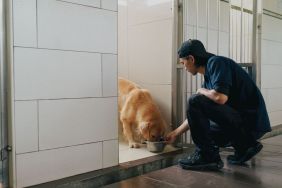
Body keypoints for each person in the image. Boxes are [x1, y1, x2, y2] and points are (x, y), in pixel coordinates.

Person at [165, 39, 271, 170]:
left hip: (251, 122)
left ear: (191, 59)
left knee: (195, 100)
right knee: (203, 124)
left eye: (183, 62)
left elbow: (220, 98)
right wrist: (175, 133)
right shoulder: (210, 75)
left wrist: (201, 91)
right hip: (245, 122)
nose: (184, 67)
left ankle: (207, 156)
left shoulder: (216, 62)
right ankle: (245, 147)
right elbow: (195, 116)